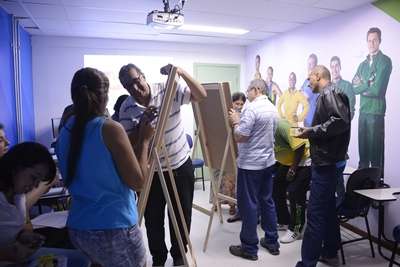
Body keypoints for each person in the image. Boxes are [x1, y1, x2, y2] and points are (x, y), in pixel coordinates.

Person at [56, 67, 153, 267]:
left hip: (79, 228)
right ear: (104, 97)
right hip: (114, 229)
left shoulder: (65, 130)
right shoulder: (109, 128)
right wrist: (144, 141)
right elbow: (138, 182)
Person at [118, 63, 206, 266]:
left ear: (143, 75)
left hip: (180, 164)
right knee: (153, 219)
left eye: (137, 80)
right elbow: (129, 143)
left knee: (181, 214)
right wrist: (142, 127)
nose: (135, 87)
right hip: (151, 170)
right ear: (125, 89)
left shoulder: (168, 88)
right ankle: (159, 258)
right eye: (129, 85)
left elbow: (200, 95)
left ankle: (178, 256)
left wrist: (181, 72)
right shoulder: (126, 108)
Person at [295, 65, 351, 267]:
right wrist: (312, 130)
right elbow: (335, 123)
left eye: (310, 77)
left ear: (318, 76)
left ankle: (307, 263)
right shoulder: (330, 93)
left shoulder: (329, 93)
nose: (308, 81)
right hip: (331, 161)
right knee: (327, 209)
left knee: (316, 213)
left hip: (326, 163)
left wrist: (311, 131)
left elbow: (340, 121)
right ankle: (329, 251)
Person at [0, 142, 88, 266]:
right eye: (33, 177)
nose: (35, 185)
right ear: (17, 167)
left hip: (16, 258)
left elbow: (10, 230)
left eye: (39, 181)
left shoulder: (18, 196)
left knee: (80, 259)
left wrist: (23, 236)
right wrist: (7, 253)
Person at [228, 79, 279, 261]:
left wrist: (235, 122)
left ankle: (249, 248)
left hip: (250, 165)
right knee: (267, 201)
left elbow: (241, 137)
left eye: (249, 89)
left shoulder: (251, 108)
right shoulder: (273, 108)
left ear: (257, 89)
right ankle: (272, 241)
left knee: (248, 204)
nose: (247, 93)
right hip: (268, 162)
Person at [352, 27, 392, 174]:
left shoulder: (385, 61)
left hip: (376, 113)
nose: (371, 43)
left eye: (374, 40)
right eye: (369, 40)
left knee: (375, 156)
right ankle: (362, 190)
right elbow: (353, 88)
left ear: (380, 41)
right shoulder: (362, 65)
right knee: (363, 156)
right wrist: (367, 84)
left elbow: (378, 90)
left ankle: (376, 190)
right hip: (363, 112)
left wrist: (363, 87)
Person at [272, 119, 311, 243]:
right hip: (288, 162)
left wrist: (293, 169)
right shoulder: (267, 127)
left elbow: (300, 146)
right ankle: (284, 220)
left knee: (295, 192)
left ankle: (296, 228)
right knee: (277, 184)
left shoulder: (283, 126)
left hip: (305, 161)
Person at [330, 56, 356, 206]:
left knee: (338, 180)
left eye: (336, 66)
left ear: (340, 67)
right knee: (331, 181)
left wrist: (337, 122)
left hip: (340, 140)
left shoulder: (347, 86)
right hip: (328, 143)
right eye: (332, 66)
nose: (334, 69)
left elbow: (350, 111)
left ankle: (339, 208)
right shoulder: (327, 89)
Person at [301, 54, 319, 127]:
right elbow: (299, 92)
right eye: (308, 64)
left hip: (312, 121)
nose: (309, 66)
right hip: (306, 120)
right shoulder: (307, 80)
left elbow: (304, 97)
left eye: (311, 64)